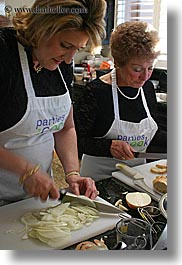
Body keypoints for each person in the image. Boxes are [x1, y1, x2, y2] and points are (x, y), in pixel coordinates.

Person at [0, 0, 107, 205]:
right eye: (65, 46)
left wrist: (73, 173)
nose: (69, 59)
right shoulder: (4, 52)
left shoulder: (61, 63)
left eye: (77, 48)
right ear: (42, 27)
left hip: (34, 199)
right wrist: (25, 170)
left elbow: (65, 127)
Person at [73, 21, 167, 179]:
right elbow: (76, 141)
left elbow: (151, 133)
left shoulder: (147, 89)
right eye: (137, 69)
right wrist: (108, 146)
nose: (145, 77)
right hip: (99, 177)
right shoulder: (96, 92)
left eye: (150, 68)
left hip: (137, 175)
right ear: (117, 63)